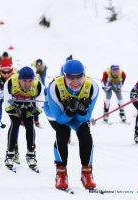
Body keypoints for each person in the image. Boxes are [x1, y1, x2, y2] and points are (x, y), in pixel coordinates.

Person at [44, 60, 99, 190]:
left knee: (85, 135)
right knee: (62, 132)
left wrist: (81, 110)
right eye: (70, 78)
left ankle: (87, 172)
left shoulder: (93, 87)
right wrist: (70, 110)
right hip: (56, 113)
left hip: (76, 116)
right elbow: (60, 119)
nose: (75, 82)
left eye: (79, 77)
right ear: (64, 76)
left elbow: (85, 118)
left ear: (84, 75)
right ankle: (61, 173)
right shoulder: (54, 88)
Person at [3, 66, 44, 171]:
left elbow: (39, 107)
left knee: (30, 125)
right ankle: (10, 154)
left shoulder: (38, 84)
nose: (27, 84)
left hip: (30, 106)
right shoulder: (10, 83)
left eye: (30, 81)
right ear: (19, 79)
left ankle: (31, 154)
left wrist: (31, 109)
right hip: (14, 106)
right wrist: (18, 107)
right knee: (15, 124)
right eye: (24, 81)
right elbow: (7, 105)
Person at [31, 59, 48, 126]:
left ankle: (36, 119)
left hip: (36, 87)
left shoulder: (44, 68)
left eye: (40, 66)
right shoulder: (33, 65)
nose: (39, 67)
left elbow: (42, 83)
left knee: (35, 104)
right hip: (30, 87)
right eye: (38, 66)